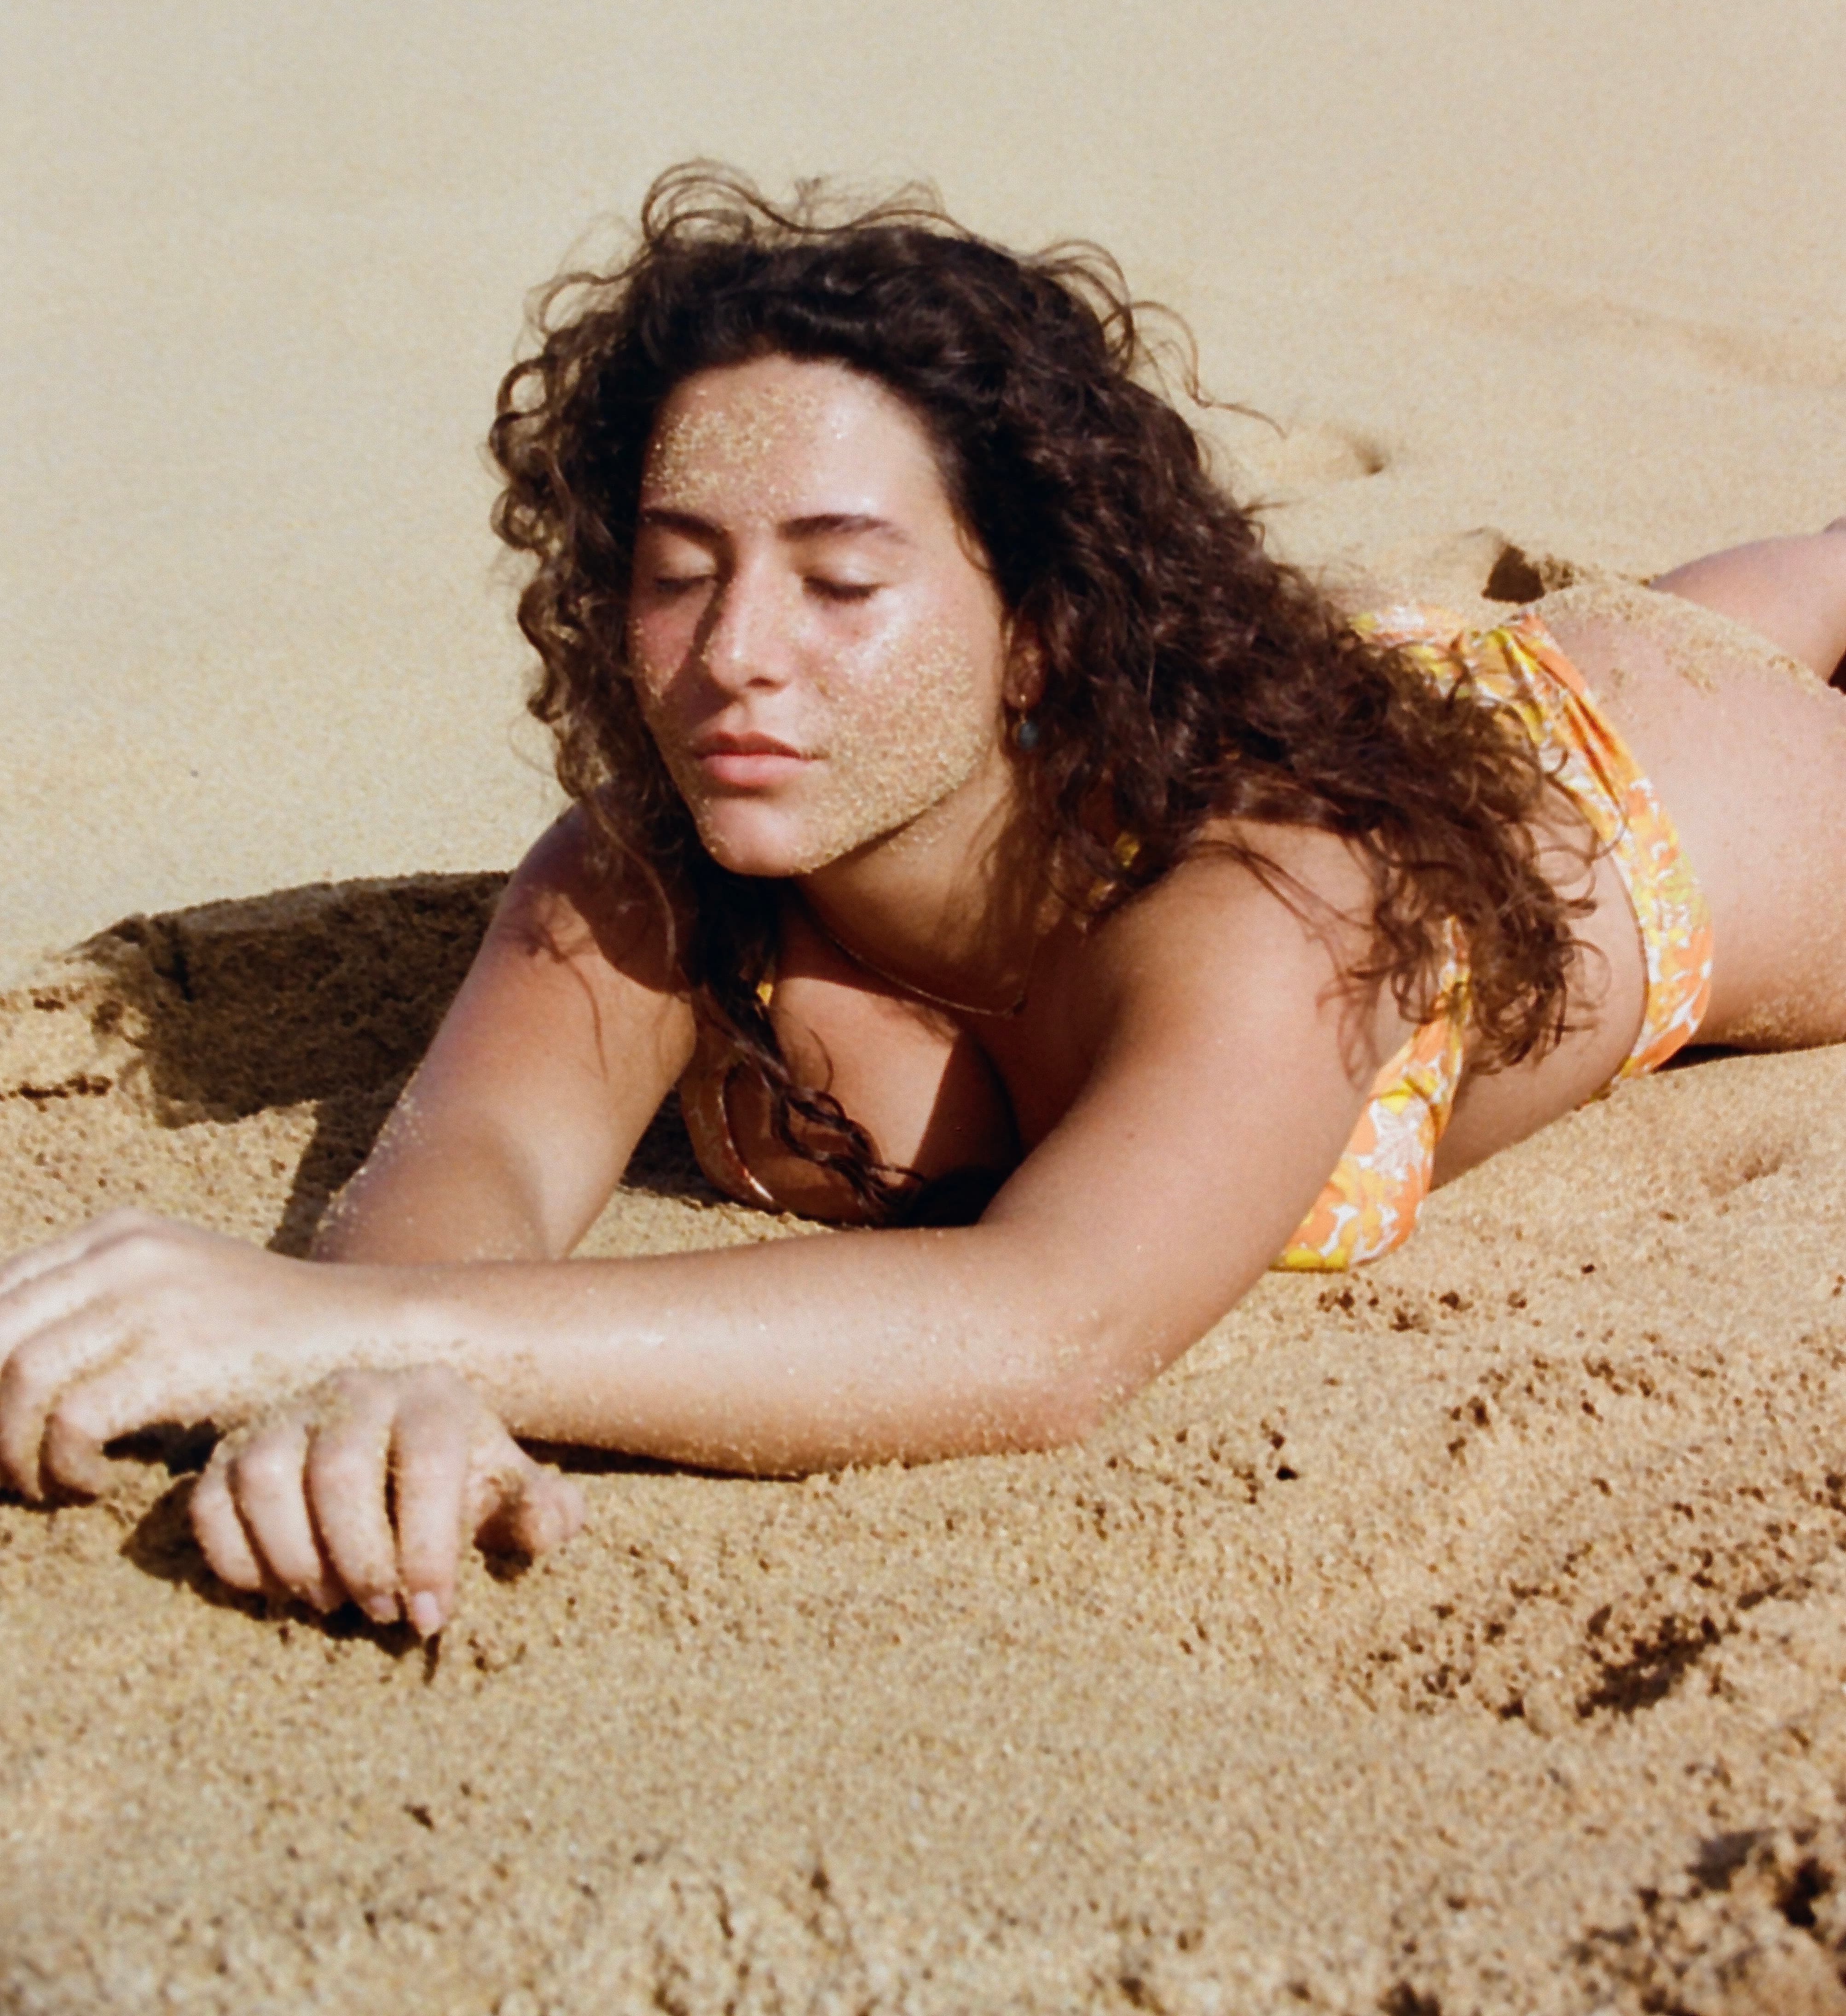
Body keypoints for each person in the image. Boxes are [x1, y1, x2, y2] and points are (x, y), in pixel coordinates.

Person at [2, 170, 1843, 1641]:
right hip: (1319, 713)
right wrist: (377, 1367)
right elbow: (474, 1162)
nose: (735, 654)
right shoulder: (649, 876)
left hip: (1670, 784)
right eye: (679, 572)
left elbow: (1053, 1330)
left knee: (1775, 596)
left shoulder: (1271, 894)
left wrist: (322, 1333)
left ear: (1038, 622)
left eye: (839, 583)